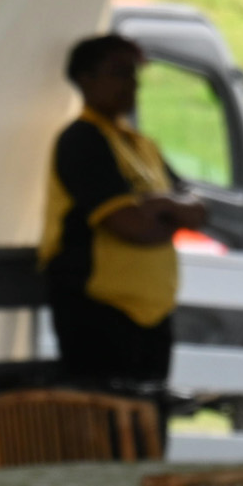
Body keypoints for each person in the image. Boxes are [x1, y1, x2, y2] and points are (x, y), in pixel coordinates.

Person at [39, 33, 209, 389]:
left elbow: (198, 209)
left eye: (134, 74)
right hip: (98, 313)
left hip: (152, 313)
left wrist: (161, 207)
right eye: (120, 73)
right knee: (106, 419)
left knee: (149, 418)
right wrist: (168, 215)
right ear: (86, 79)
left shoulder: (141, 144)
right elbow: (131, 226)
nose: (132, 84)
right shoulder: (81, 140)